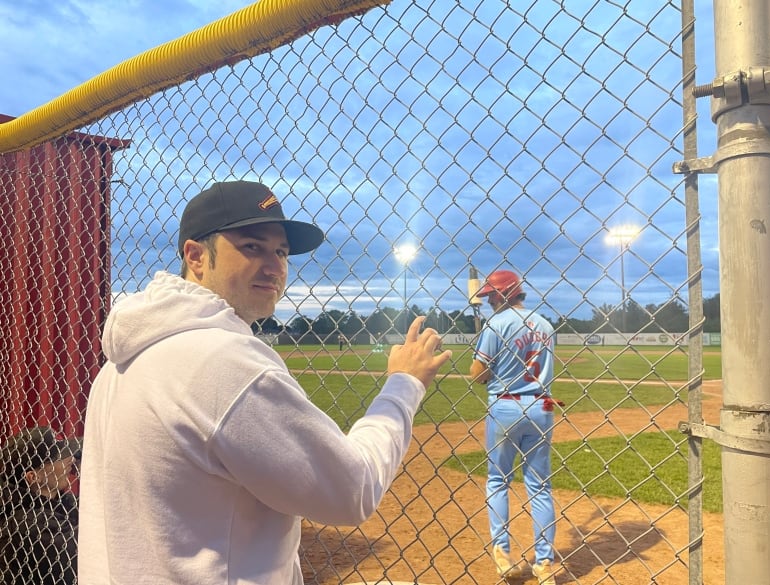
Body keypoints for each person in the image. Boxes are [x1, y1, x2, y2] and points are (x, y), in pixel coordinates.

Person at [78, 179, 451, 584]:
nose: (275, 267)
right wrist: (403, 385)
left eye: (281, 252)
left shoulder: (120, 361)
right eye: (252, 247)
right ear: (197, 256)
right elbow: (353, 489)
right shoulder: (225, 361)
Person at [470, 269, 558, 584]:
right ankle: (545, 563)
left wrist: (480, 355)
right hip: (542, 406)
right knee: (540, 486)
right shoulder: (546, 324)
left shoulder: (496, 324)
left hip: (505, 406)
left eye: (492, 294)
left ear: (507, 294)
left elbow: (478, 374)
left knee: (497, 481)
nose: (488, 300)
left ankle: (502, 554)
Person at [0, 426, 81, 585]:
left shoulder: (60, 503)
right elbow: (87, 554)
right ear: (33, 476)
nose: (70, 459)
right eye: (59, 457)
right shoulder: (27, 523)